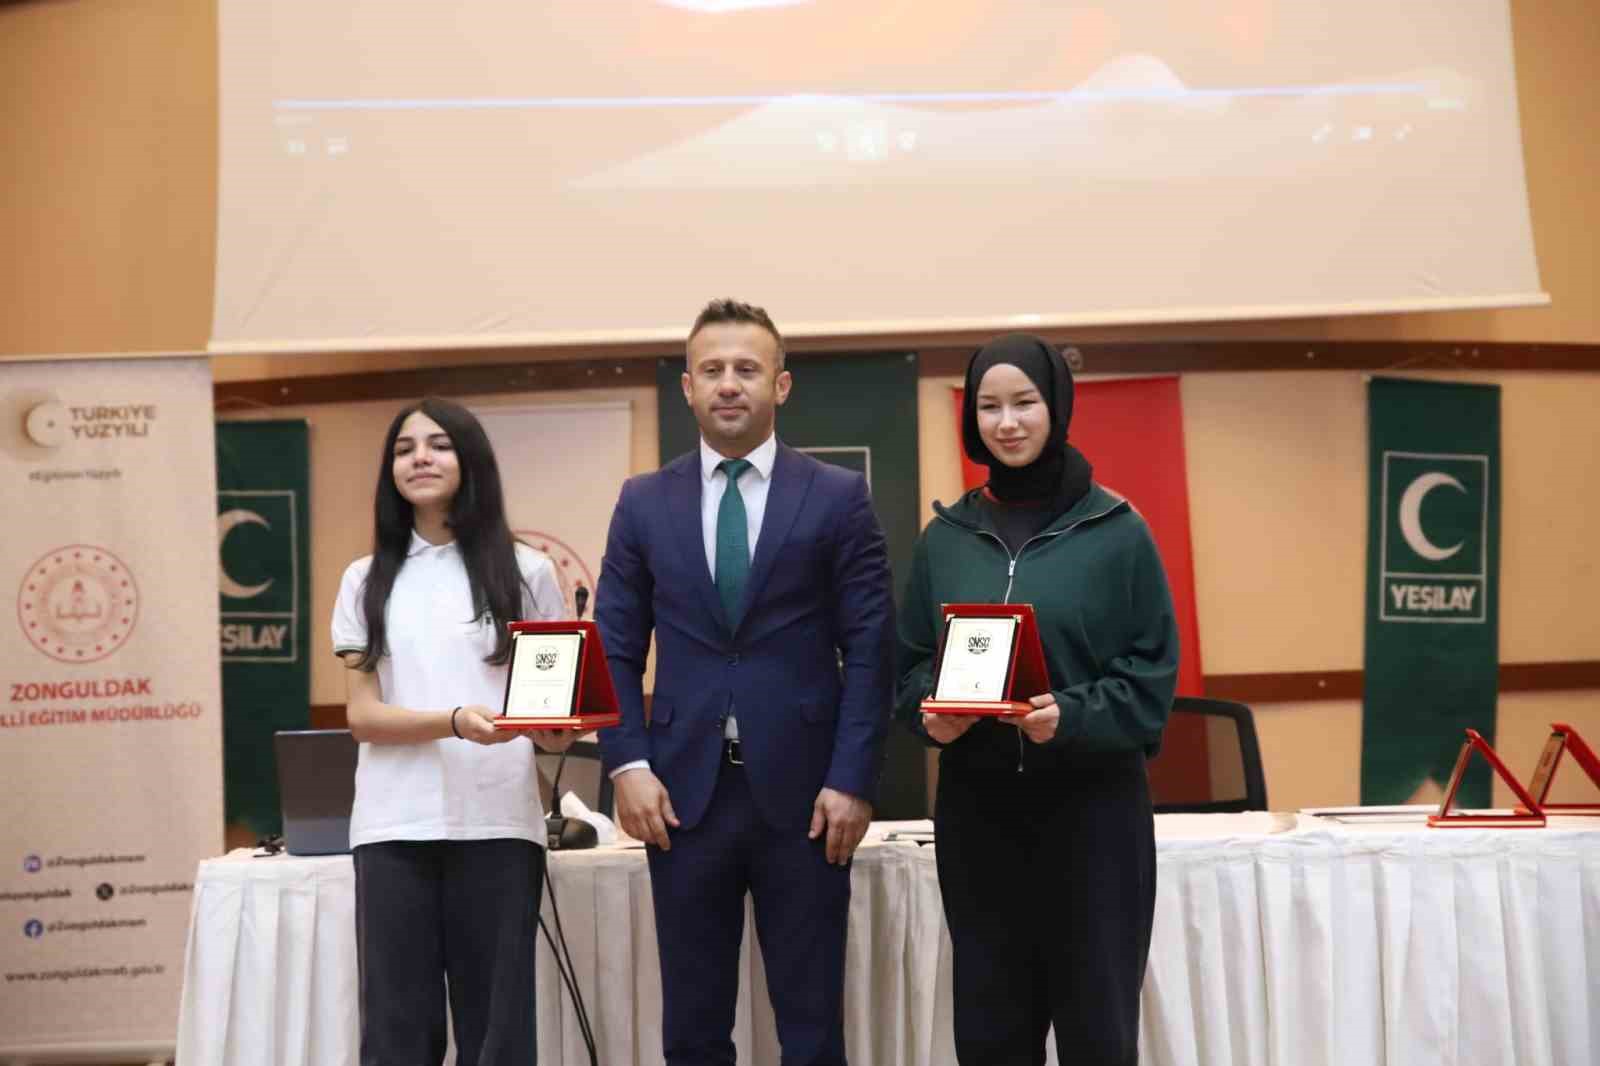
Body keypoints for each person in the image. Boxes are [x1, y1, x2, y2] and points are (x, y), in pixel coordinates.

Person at [595, 299, 895, 1065]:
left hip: (809, 802)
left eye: (747, 369)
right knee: (693, 1030)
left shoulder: (835, 497)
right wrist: (626, 765)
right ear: (687, 388)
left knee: (811, 1025)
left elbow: (870, 648)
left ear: (782, 386)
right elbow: (615, 649)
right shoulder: (642, 501)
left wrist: (853, 779)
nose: (730, 384)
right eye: (713, 370)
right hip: (679, 798)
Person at [895, 334, 1179, 1066]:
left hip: (1095, 823)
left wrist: (1074, 717)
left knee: (1097, 1034)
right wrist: (934, 712)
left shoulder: (1117, 532)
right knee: (992, 1036)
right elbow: (907, 666)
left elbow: (1151, 679)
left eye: (1024, 402)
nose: (1007, 422)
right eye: (988, 406)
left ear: (1057, 406)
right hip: (979, 818)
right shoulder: (946, 538)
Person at [331, 397, 579, 1066]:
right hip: (391, 828)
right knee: (396, 1032)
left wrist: (557, 730)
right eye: (405, 448)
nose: (420, 458)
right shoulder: (365, 579)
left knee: (497, 1034)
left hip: (498, 824)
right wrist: (453, 722)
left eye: (439, 445)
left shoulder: (527, 572)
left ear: (470, 462)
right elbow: (362, 716)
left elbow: (547, 712)